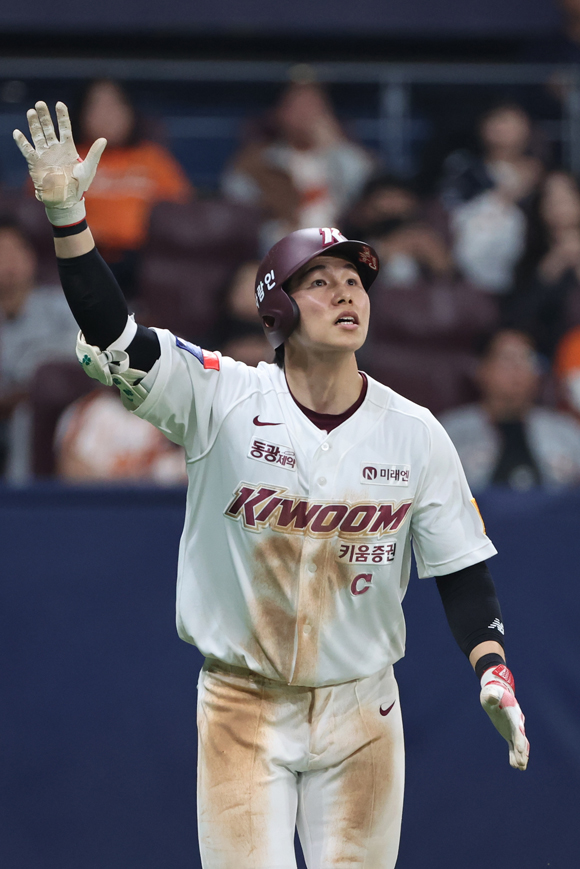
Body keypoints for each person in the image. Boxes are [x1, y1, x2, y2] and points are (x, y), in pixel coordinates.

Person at [14, 101, 529, 869]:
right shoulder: (222, 394)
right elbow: (114, 334)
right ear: (277, 306)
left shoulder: (416, 429)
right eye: (319, 281)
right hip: (241, 703)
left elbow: (459, 570)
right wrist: (66, 216)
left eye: (354, 279)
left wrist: (493, 668)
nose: (347, 292)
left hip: (362, 706)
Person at [222, 80, 375, 251]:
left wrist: (336, 147)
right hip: (283, 241)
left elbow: (367, 187)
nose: (306, 115)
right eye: (298, 106)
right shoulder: (258, 160)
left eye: (314, 107)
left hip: (341, 240)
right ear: (280, 113)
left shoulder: (341, 155)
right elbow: (237, 201)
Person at [72, 79, 193, 294]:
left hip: (144, 259)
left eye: (115, 105)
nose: (107, 115)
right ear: (81, 115)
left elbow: (182, 214)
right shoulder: (67, 160)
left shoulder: (153, 160)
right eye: (97, 106)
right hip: (84, 258)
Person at [440, 330, 580, 491]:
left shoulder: (567, 432)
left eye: (527, 359)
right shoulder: (447, 432)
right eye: (506, 359)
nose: (517, 369)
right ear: (481, 370)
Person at [0, 217, 78, 478]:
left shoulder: (58, 305)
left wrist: (32, 377)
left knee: (26, 415)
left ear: (31, 259)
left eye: (14, 252)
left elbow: (90, 345)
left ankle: (21, 504)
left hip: (52, 408)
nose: (8, 264)